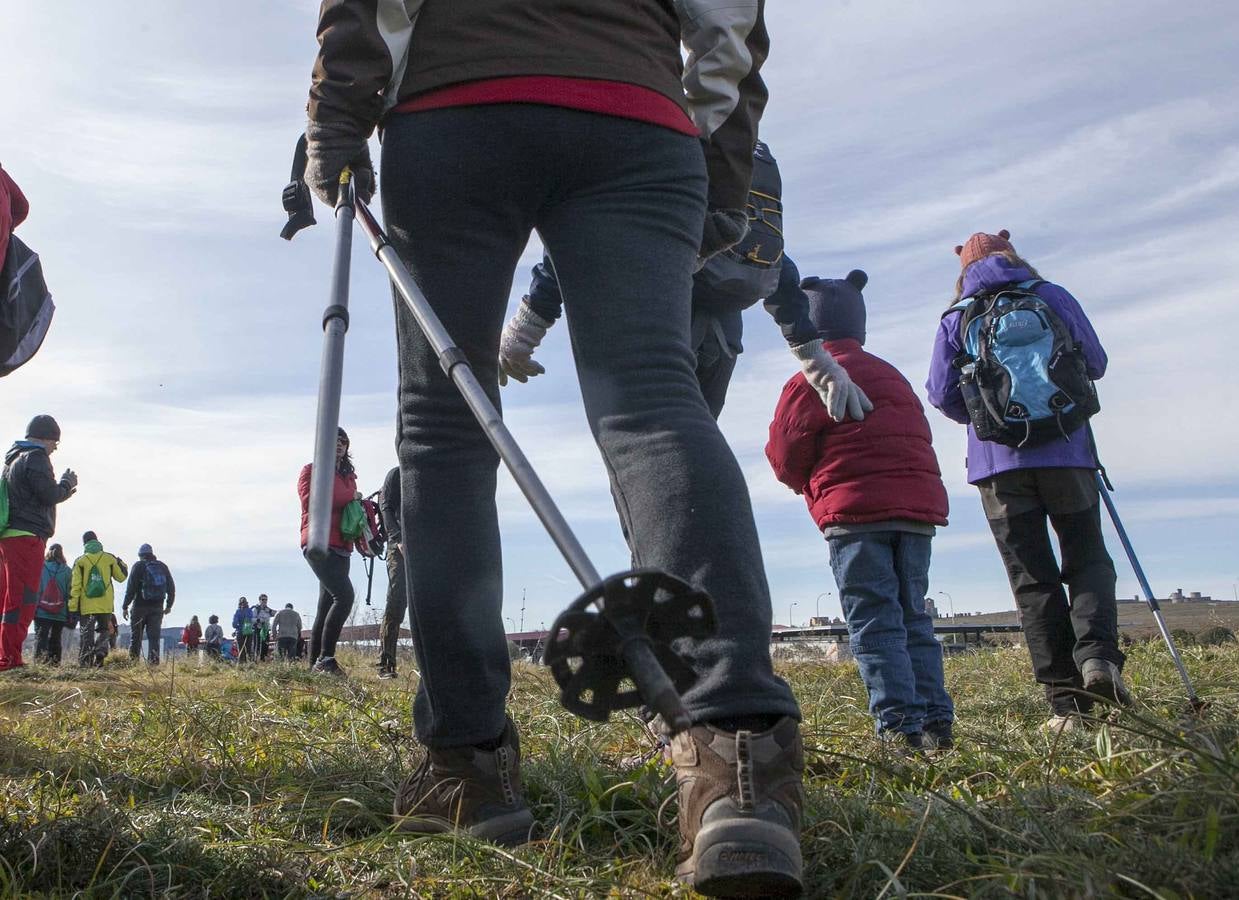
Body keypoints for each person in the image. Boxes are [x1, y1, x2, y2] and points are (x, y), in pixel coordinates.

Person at [303, 3, 805, 893]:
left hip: (455, 112)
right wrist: (720, 167)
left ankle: (466, 762)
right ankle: (739, 763)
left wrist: (339, 122)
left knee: (443, 427)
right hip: (635, 118)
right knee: (653, 398)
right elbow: (729, 17)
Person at [926, 230, 1129, 732]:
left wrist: (987, 419)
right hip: (1068, 453)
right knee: (1087, 558)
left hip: (999, 469)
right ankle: (1098, 659)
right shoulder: (1051, 297)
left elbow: (940, 393)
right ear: (1014, 257)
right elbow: (1096, 363)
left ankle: (1067, 706)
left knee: (1032, 580)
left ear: (963, 270)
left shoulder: (957, 317)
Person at [505, 145, 871, 423]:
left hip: (657, 328)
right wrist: (815, 358)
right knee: (697, 447)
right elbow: (775, 261)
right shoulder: (739, 149)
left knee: (643, 450)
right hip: (723, 342)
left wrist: (525, 331)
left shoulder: (649, 139)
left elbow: (578, 236)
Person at [766, 270, 955, 750]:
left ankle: (899, 730)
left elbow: (785, 453)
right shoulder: (890, 373)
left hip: (855, 519)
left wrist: (801, 483)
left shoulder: (810, 377)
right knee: (914, 618)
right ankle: (936, 723)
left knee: (873, 623)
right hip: (915, 515)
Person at [0, 415, 77, 670]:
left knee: (8, 597)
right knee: (23, 599)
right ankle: (9, 658)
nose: (55, 447)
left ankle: (7, 654)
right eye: (55, 441)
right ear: (46, 438)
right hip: (27, 536)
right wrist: (66, 485)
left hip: (10, 535)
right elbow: (48, 494)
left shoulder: (12, 459)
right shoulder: (36, 457)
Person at [298, 427, 358, 675]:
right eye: (334, 440)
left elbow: (348, 503)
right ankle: (327, 659)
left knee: (325, 604)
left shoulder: (349, 475)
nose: (340, 445)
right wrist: (352, 495)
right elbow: (316, 499)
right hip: (318, 543)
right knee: (344, 597)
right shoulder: (310, 470)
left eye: (343, 441)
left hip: (343, 545)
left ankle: (314, 667)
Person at [69, 531, 127, 668]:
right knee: (104, 630)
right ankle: (101, 651)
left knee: (86, 634)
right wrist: (121, 562)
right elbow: (121, 577)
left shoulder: (80, 561)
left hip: (86, 605)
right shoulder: (109, 558)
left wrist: (72, 607)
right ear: (97, 541)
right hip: (105, 604)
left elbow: (75, 586)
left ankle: (85, 664)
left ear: (84, 544)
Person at [122, 543, 176, 665]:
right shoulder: (162, 567)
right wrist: (169, 605)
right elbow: (171, 587)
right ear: (152, 554)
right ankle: (153, 665)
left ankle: (133, 664)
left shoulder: (138, 566)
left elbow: (131, 588)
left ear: (140, 555)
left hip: (139, 607)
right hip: (157, 608)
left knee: (136, 637)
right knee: (154, 638)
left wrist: (125, 606)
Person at [376, 467, 404, 679]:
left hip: (428, 547)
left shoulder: (431, 470)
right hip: (399, 547)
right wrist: (398, 539)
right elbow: (386, 509)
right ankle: (386, 664)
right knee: (395, 603)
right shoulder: (395, 474)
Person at [32, 544, 73, 666]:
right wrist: (69, 612)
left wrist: (33, 608)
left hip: (41, 611)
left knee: (41, 639)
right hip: (60, 612)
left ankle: (39, 664)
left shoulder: (41, 568)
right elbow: (69, 593)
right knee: (56, 639)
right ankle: (54, 665)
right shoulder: (67, 571)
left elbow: (36, 590)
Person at [231, 597, 255, 661]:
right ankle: (249, 665)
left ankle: (241, 665)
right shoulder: (250, 611)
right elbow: (251, 620)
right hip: (248, 632)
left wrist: (238, 626)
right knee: (248, 650)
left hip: (240, 632)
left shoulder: (238, 611)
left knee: (241, 650)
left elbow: (234, 624)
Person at [252, 594, 275, 661]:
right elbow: (251, 619)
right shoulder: (256, 609)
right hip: (258, 629)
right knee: (258, 645)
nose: (264, 601)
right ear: (259, 600)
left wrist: (269, 611)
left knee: (265, 645)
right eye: (263, 599)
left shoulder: (267, 609)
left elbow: (276, 614)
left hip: (266, 630)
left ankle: (263, 660)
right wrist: (259, 620)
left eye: (266, 599)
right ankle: (257, 660)